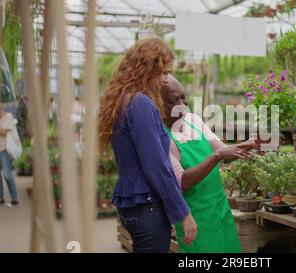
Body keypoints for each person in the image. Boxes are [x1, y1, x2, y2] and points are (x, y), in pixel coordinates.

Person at [97, 38, 197, 253]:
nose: (164, 79)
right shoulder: (141, 104)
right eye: (162, 72)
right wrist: (183, 213)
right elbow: (157, 167)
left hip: (133, 203)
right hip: (147, 206)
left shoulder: (122, 100)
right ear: (147, 70)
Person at [161, 75, 259, 253]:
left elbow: (224, 151)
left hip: (219, 207)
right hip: (194, 216)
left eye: (184, 97)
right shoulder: (162, 136)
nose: (183, 103)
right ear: (160, 104)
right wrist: (216, 156)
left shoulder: (194, 121)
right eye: (175, 100)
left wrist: (250, 144)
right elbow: (182, 181)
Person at [0, 105, 19, 207]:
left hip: (4, 149)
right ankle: (1, 198)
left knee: (7, 174)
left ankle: (14, 198)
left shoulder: (8, 117)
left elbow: (3, 132)